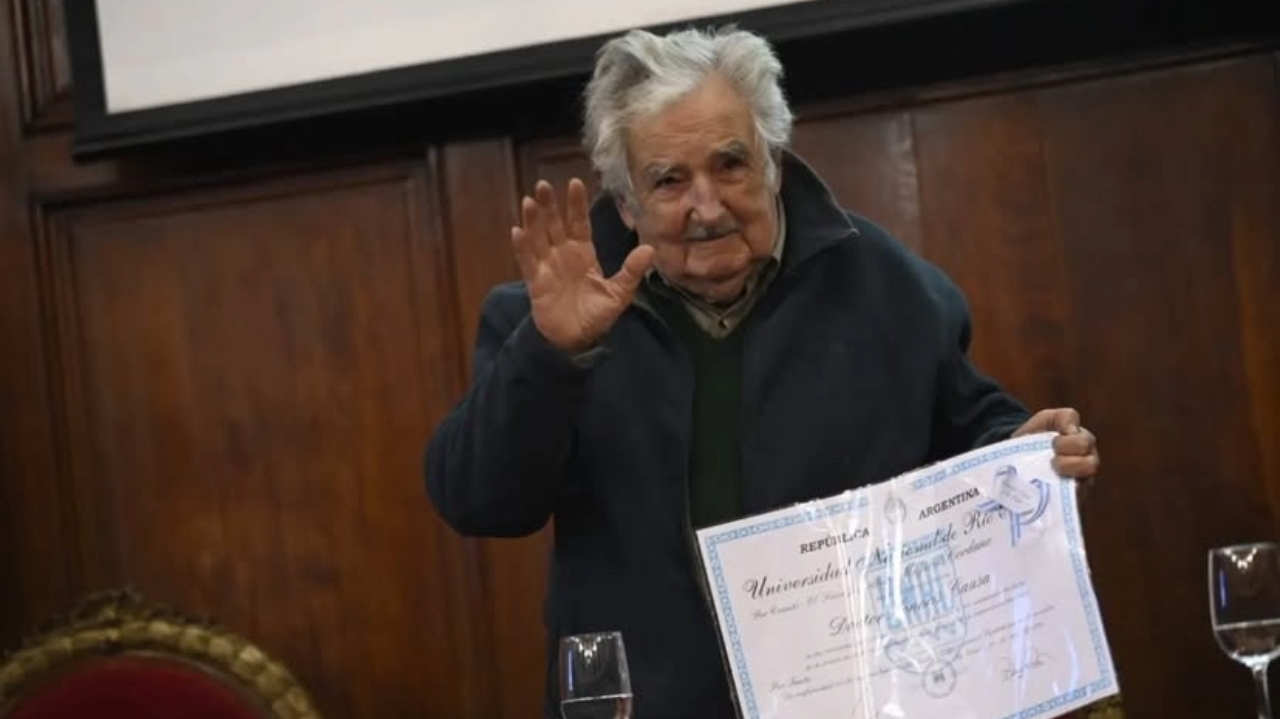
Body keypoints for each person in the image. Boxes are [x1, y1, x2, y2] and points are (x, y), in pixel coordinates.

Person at [423, 24, 1100, 719]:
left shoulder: (884, 284)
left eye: (730, 165)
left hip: (858, 701)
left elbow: (973, 426)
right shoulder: (545, 318)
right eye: (669, 180)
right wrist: (550, 354)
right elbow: (478, 502)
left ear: (773, 161)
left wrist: (1024, 450)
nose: (707, 206)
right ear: (626, 204)